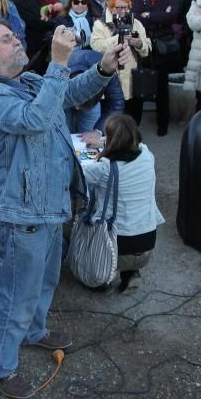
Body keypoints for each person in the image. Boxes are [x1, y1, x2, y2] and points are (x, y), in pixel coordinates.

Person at [0, 20, 130, 399]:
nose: (16, 40)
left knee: (46, 281)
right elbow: (36, 119)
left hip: (53, 206)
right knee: (15, 293)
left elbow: (67, 93)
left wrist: (103, 68)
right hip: (23, 215)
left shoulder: (30, 81)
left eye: (14, 34)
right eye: (6, 39)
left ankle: (34, 332)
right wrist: (58, 61)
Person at [81, 114, 163, 292]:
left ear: (112, 140)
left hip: (115, 245)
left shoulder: (104, 169)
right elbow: (131, 144)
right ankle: (131, 274)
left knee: (82, 224)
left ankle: (102, 277)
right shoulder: (147, 155)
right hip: (147, 241)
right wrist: (104, 141)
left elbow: (78, 174)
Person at [133, 0, 184, 135]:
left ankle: (163, 124)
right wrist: (161, 14)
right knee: (142, 81)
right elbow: (138, 16)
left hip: (163, 44)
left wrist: (151, 15)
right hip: (145, 42)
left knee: (163, 86)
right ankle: (135, 124)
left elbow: (173, 16)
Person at [91, 0, 150, 123]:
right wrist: (119, 37)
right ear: (111, 7)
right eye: (118, 8)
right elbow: (96, 47)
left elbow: (146, 49)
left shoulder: (136, 23)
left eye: (126, 7)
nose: (123, 11)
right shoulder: (100, 24)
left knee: (133, 119)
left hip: (132, 78)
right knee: (110, 120)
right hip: (110, 77)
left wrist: (139, 43)